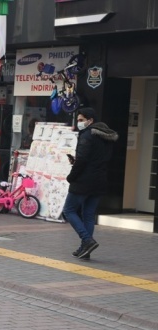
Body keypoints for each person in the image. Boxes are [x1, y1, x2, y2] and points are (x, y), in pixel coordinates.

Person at [63, 108, 118, 260]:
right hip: (100, 179)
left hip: (84, 180)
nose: (78, 123)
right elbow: (96, 158)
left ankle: (87, 240)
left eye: (81, 120)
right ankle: (85, 249)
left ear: (90, 120)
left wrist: (71, 176)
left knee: (69, 210)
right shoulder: (106, 136)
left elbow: (83, 160)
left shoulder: (87, 135)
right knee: (88, 214)